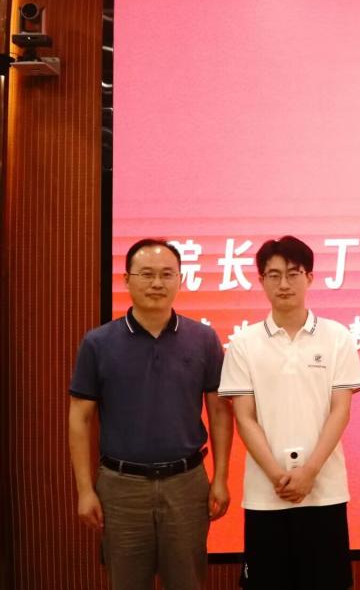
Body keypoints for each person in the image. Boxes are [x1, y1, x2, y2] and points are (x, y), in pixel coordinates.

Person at [68, 238, 232, 590]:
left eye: (167, 274)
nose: (157, 283)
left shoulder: (203, 339)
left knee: (188, 582)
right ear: (127, 279)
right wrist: (85, 489)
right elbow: (80, 419)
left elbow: (219, 412)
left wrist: (220, 477)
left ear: (180, 279)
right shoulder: (98, 343)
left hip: (187, 483)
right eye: (146, 274)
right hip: (121, 486)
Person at [218, 235, 360, 589]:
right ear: (261, 281)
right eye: (274, 275)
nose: (284, 284)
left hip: (325, 490)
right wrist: (276, 475)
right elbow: (244, 417)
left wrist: (310, 471)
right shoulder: (244, 343)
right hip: (266, 495)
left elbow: (340, 411)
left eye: (293, 273)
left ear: (309, 277)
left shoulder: (337, 337)